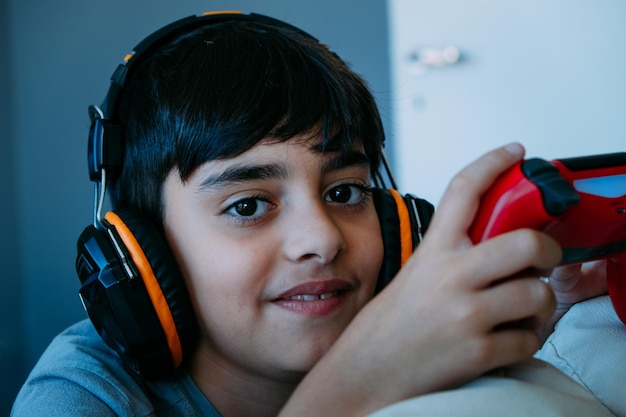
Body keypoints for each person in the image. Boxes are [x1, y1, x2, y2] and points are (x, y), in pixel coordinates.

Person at [11, 11, 614, 417]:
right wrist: (359, 383)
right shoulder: (80, 392)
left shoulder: (413, 336)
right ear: (147, 251)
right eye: (248, 205)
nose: (321, 239)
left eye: (346, 192)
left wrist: (534, 328)